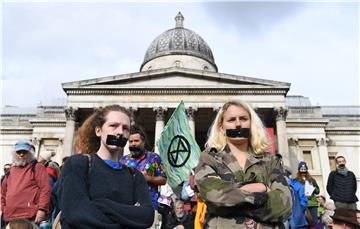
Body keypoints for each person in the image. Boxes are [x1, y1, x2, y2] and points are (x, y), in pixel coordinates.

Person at [194, 101, 292, 228]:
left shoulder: (271, 160)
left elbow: (284, 205)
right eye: (231, 120)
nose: (238, 124)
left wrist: (230, 200)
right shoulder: (209, 158)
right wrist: (261, 191)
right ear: (221, 128)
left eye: (243, 119)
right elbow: (213, 194)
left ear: (251, 124)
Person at [59, 105, 154, 228]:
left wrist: (102, 204)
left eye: (125, 128)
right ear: (98, 131)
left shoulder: (135, 175)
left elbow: (147, 216)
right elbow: (77, 214)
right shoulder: (78, 164)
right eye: (113, 126)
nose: (120, 132)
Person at [121, 124, 167, 228]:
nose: (133, 144)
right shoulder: (123, 160)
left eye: (136, 141)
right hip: (128, 207)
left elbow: (163, 179)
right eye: (131, 141)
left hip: (149, 206)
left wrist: (148, 178)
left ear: (143, 142)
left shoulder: (154, 158)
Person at [1, 140, 51, 225]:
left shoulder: (37, 168)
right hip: (10, 216)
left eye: (24, 152)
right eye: (18, 152)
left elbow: (45, 189)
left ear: (30, 153)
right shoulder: (10, 170)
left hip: (30, 216)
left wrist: (42, 209)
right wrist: (2, 208)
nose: (21, 154)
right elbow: (2, 192)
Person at [295, 161, 320, 227]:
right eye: (301, 169)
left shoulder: (312, 180)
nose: (303, 171)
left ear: (306, 170)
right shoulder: (296, 180)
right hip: (302, 203)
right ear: (299, 170)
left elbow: (318, 191)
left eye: (304, 169)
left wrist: (313, 188)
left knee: (315, 221)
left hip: (312, 203)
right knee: (304, 222)